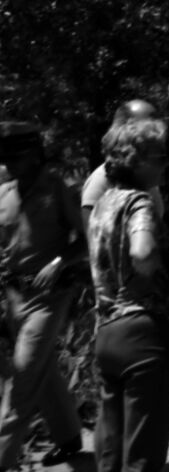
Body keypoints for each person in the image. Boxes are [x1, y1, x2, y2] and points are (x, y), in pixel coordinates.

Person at [87, 118, 169, 472]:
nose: (165, 164)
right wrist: (155, 263)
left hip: (106, 333)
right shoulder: (139, 202)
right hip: (144, 332)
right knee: (142, 453)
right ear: (135, 160)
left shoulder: (102, 204)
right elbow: (141, 253)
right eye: (159, 158)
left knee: (111, 451)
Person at [0, 122, 85, 469]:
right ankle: (69, 438)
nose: (9, 164)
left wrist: (60, 261)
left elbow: (84, 239)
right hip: (13, 295)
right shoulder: (4, 192)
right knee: (42, 370)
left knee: (20, 384)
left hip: (49, 297)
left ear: (35, 155)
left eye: (15, 157)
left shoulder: (59, 187)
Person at [81, 99, 163, 231]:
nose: (157, 128)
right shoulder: (100, 182)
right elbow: (92, 237)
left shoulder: (144, 179)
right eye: (150, 122)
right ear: (126, 129)